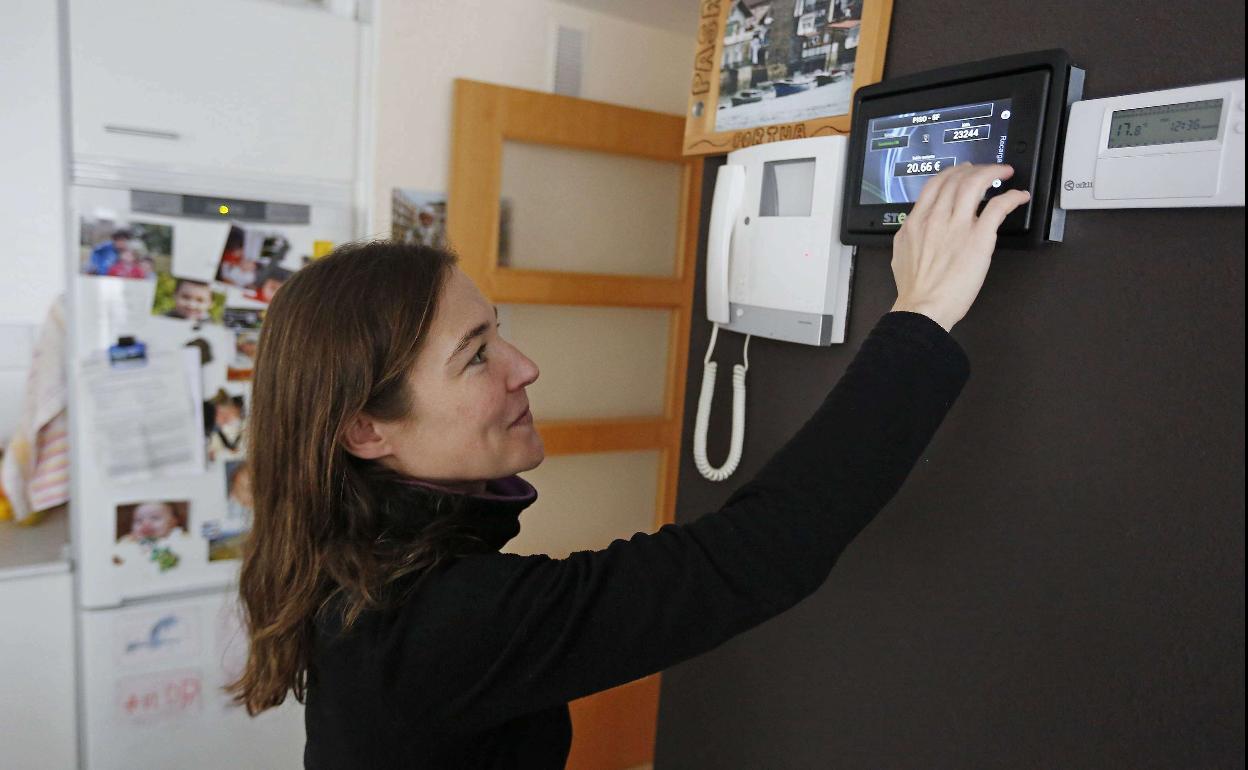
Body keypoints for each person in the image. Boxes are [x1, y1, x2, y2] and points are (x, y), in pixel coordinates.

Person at [229, 164, 1030, 767]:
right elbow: (753, 557)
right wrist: (923, 313)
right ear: (367, 430)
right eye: (476, 357)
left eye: (498, 332)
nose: (524, 367)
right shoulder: (434, 623)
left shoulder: (365, 567)